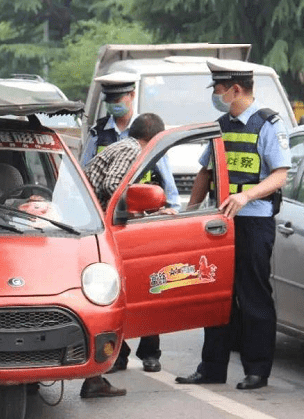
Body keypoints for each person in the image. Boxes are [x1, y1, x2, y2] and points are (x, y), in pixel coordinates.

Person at [175, 59, 291, 390]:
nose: (216, 94)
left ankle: (257, 369)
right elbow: (205, 173)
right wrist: (189, 211)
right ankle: (212, 368)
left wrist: (246, 196)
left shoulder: (269, 125)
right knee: (216, 294)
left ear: (235, 89)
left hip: (254, 223)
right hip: (220, 224)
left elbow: (280, 174)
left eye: (219, 89)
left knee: (253, 295)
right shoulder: (219, 125)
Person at [82, 72, 180, 375]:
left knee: (150, 286)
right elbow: (102, 180)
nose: (114, 104)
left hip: (142, 224)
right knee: (115, 290)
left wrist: (167, 210)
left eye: (119, 98)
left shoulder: (147, 139)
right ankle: (118, 353)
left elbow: (169, 185)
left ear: (131, 97)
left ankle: (150, 351)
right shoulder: (102, 134)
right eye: (109, 99)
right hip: (111, 225)